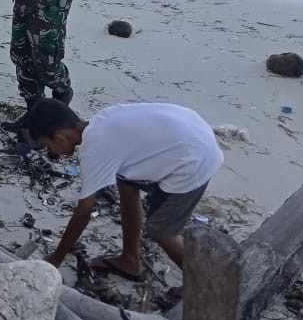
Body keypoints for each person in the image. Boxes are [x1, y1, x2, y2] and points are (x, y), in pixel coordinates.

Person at [28, 99, 222, 280]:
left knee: (160, 230)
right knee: (126, 184)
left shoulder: (94, 149)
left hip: (195, 160)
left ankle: (204, 285)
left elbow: (83, 212)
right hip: (195, 133)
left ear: (60, 137)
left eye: (48, 146)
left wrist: (56, 258)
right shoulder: (102, 121)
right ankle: (130, 260)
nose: (51, 151)